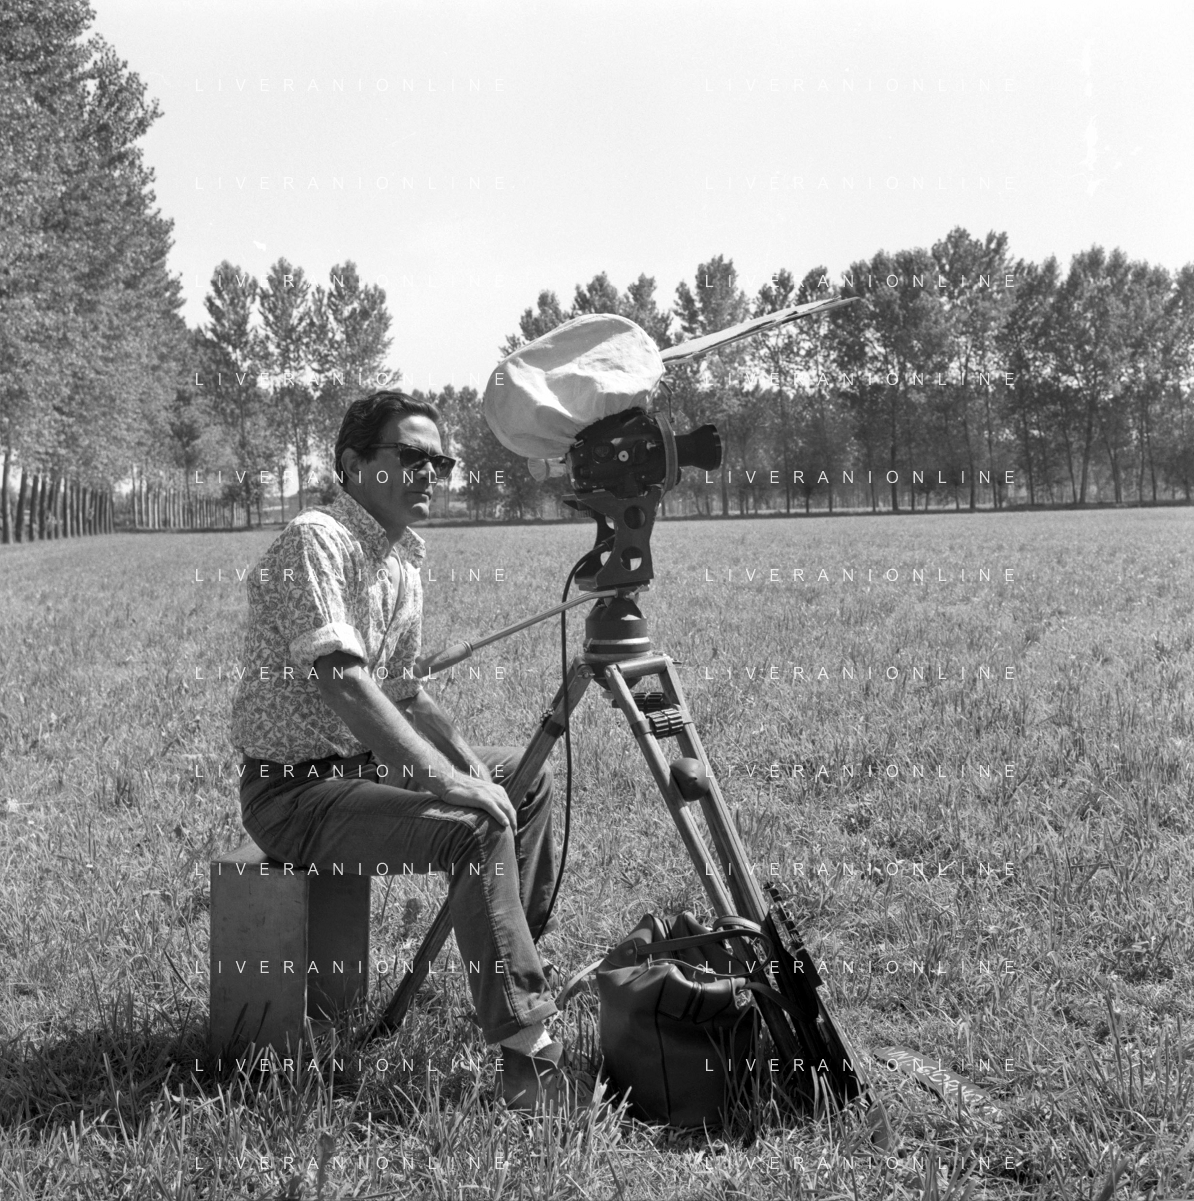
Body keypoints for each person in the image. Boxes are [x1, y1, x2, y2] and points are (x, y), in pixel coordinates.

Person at [229, 389, 583, 1110]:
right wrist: (446, 783)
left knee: (527, 781)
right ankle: (528, 1057)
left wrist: (471, 767)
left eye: (440, 462)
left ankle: (518, 964)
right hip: (293, 795)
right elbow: (343, 680)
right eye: (412, 456)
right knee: (473, 826)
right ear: (354, 464)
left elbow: (406, 691)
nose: (431, 474)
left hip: (357, 776)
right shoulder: (317, 539)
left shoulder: (401, 559)